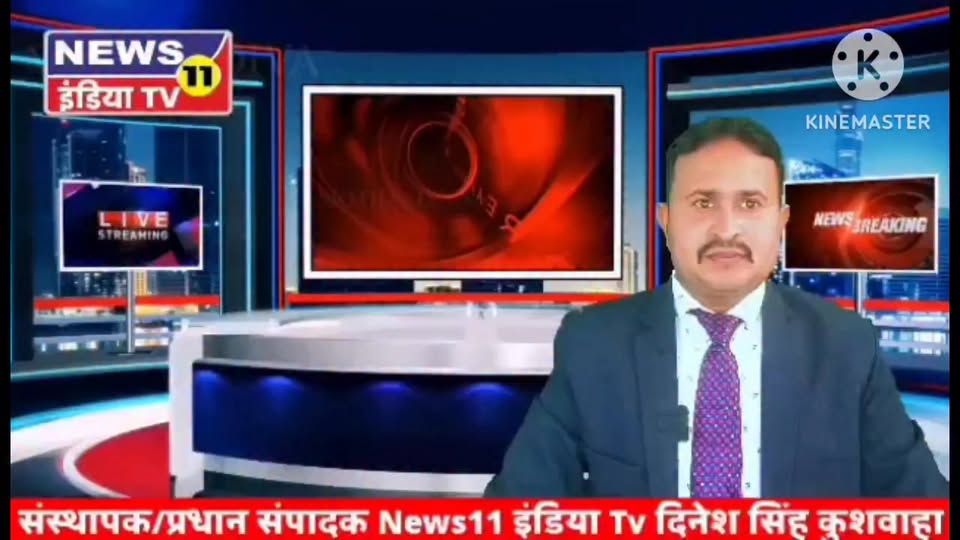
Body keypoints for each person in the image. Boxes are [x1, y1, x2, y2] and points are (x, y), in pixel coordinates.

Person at [485, 118, 948, 498]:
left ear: (781, 222)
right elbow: (516, 509)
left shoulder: (846, 346)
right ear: (667, 221)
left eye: (750, 203)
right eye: (703, 202)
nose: (726, 229)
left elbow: (924, 509)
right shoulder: (593, 343)